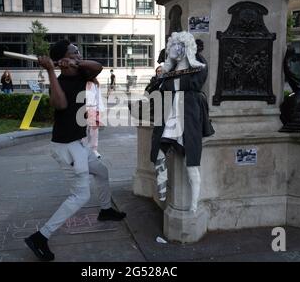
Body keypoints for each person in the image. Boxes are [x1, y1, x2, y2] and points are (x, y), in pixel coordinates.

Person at [25, 40, 126, 262]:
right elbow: (59, 104)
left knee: (101, 171)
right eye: (73, 52)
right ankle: (41, 236)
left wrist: (75, 62)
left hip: (80, 143)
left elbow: (98, 67)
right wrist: (52, 70)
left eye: (78, 51)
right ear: (62, 58)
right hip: (67, 148)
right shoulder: (59, 80)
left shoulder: (82, 74)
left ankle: (106, 209)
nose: (78, 54)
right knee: (80, 195)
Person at [150, 31, 214, 213]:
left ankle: (194, 202)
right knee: (159, 151)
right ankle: (161, 186)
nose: (174, 49)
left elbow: (195, 84)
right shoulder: (168, 72)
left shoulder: (199, 67)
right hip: (170, 116)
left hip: (189, 116)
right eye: (173, 46)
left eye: (178, 46)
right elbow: (158, 90)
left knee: (191, 163)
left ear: (186, 48)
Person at [83, 78, 104, 159]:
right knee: (82, 131)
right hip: (82, 109)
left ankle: (94, 150)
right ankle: (83, 149)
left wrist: (99, 113)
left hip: (93, 109)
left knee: (94, 131)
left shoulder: (95, 84)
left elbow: (99, 99)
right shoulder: (80, 82)